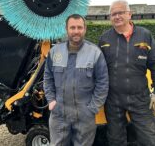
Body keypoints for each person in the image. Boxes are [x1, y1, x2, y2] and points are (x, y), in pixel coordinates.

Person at [98, 0, 155, 146]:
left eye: (120, 12)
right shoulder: (104, 39)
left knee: (150, 139)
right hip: (113, 100)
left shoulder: (145, 35)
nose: (117, 16)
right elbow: (98, 70)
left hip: (140, 99)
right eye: (113, 14)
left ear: (129, 14)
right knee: (115, 140)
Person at [43, 14, 109, 146]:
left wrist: (93, 108)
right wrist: (51, 100)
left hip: (85, 114)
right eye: (72, 27)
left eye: (79, 27)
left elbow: (103, 83)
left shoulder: (95, 53)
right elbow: (48, 78)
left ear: (85, 29)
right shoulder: (55, 52)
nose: (76, 31)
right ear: (66, 29)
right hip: (59, 113)